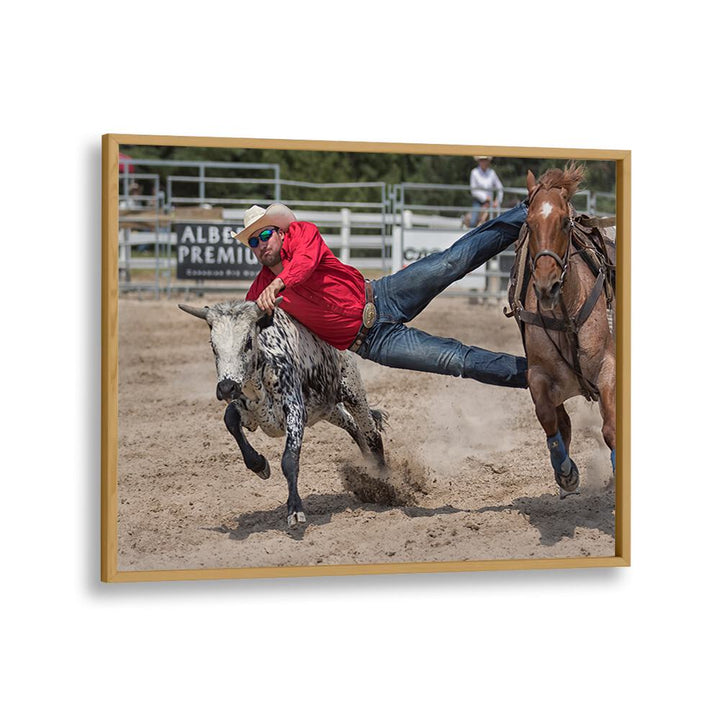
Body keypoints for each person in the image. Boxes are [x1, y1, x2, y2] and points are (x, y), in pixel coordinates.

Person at [232, 201, 528, 389]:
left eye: (264, 235)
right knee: (455, 360)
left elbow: (305, 264)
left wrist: (278, 284)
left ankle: (526, 213)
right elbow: (240, 328)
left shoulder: (302, 235)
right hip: (375, 343)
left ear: (281, 232)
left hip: (384, 294)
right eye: (253, 242)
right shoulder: (260, 290)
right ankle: (536, 377)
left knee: (451, 262)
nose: (259, 245)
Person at [469, 156, 503, 227]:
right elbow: (473, 190)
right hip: (478, 201)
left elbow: (500, 187)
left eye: (485, 160)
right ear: (479, 161)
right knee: (473, 221)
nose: (483, 162)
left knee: (499, 220)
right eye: (482, 160)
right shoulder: (474, 172)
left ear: (488, 161)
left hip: (491, 203)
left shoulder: (492, 173)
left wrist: (497, 201)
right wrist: (486, 198)